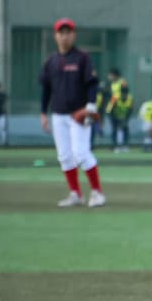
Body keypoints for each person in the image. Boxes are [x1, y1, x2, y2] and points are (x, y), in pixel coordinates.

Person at [39, 18, 107, 207]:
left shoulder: (82, 58)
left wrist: (91, 106)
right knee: (64, 156)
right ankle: (75, 194)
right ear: (56, 36)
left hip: (79, 113)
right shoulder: (51, 61)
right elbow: (46, 89)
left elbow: (92, 84)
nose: (65, 36)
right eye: (61, 32)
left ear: (73, 35)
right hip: (58, 114)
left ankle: (97, 193)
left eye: (68, 32)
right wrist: (43, 113)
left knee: (81, 152)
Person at [107, 76, 135, 152]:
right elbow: (110, 110)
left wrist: (125, 119)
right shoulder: (115, 97)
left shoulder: (130, 98)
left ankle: (125, 145)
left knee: (125, 128)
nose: (124, 96)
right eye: (123, 94)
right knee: (114, 129)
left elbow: (130, 110)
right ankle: (115, 146)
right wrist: (115, 119)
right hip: (113, 115)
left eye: (126, 94)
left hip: (124, 116)